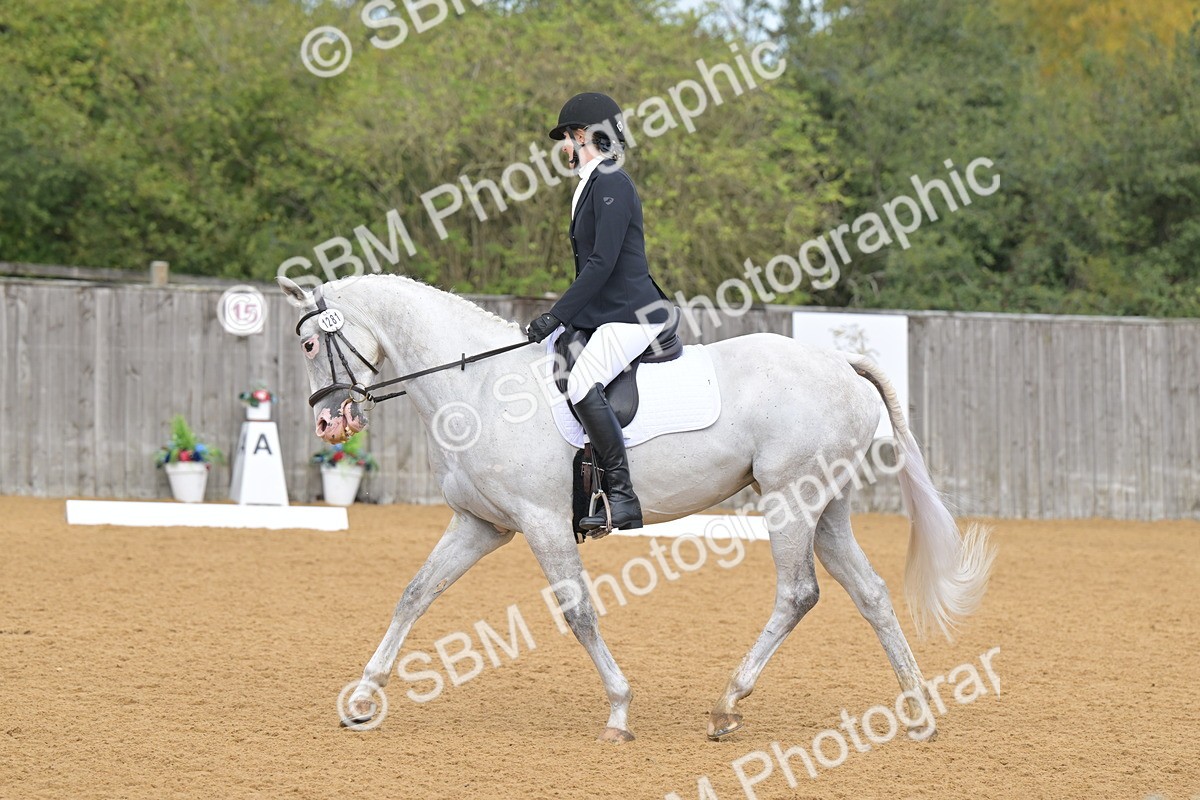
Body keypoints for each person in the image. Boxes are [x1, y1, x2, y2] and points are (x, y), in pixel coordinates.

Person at [526, 91, 671, 533]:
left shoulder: (611, 181)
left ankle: (623, 497)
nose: (563, 149)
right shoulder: (589, 184)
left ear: (583, 135)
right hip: (608, 311)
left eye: (565, 139)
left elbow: (602, 263)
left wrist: (557, 313)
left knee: (583, 380)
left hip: (634, 312)